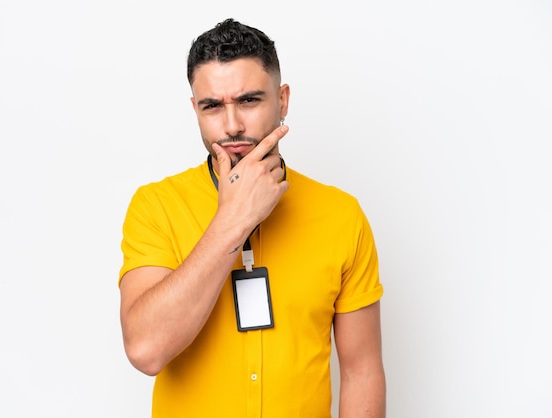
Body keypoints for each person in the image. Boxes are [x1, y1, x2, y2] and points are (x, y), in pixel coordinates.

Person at [118, 18, 386, 418]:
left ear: (283, 100)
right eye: (212, 106)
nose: (231, 126)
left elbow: (362, 371)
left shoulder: (341, 215)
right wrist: (233, 219)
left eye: (248, 100)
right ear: (195, 109)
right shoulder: (155, 206)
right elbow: (145, 350)